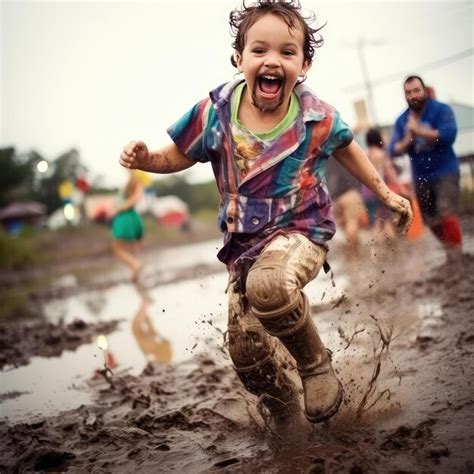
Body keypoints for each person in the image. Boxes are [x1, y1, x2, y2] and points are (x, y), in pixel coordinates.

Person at [119, 0, 412, 423]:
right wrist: (147, 159)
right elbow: (180, 154)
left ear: (304, 65)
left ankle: (314, 365)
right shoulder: (215, 113)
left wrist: (384, 193)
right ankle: (284, 416)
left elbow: (346, 145)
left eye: (287, 52)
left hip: (301, 233)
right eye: (259, 51)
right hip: (244, 248)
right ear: (239, 58)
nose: (272, 60)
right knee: (248, 355)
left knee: (271, 284)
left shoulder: (315, 117)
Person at [389, 75, 462, 262]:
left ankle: (457, 254)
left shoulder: (441, 110)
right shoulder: (402, 120)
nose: (413, 95)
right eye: (408, 92)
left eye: (416, 91)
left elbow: (449, 135)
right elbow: (393, 150)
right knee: (431, 221)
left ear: (424, 91)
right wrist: (408, 138)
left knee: (446, 212)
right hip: (421, 177)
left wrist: (420, 131)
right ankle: (450, 248)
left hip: (446, 171)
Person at [325, 156, 365, 260]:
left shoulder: (326, 153)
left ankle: (347, 255)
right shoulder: (346, 147)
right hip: (349, 192)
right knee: (352, 223)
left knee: (343, 225)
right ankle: (353, 257)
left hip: (334, 196)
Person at [362, 128, 398, 243]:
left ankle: (374, 253)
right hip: (379, 192)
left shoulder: (363, 154)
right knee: (386, 220)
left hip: (366, 193)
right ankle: (394, 250)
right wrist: (401, 187)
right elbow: (390, 173)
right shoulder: (381, 154)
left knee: (375, 222)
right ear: (378, 138)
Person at [110, 170, 145, 282]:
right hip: (133, 217)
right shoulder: (130, 182)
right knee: (133, 247)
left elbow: (137, 197)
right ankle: (135, 273)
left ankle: (135, 265)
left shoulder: (136, 181)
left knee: (118, 249)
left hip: (124, 218)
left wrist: (121, 207)